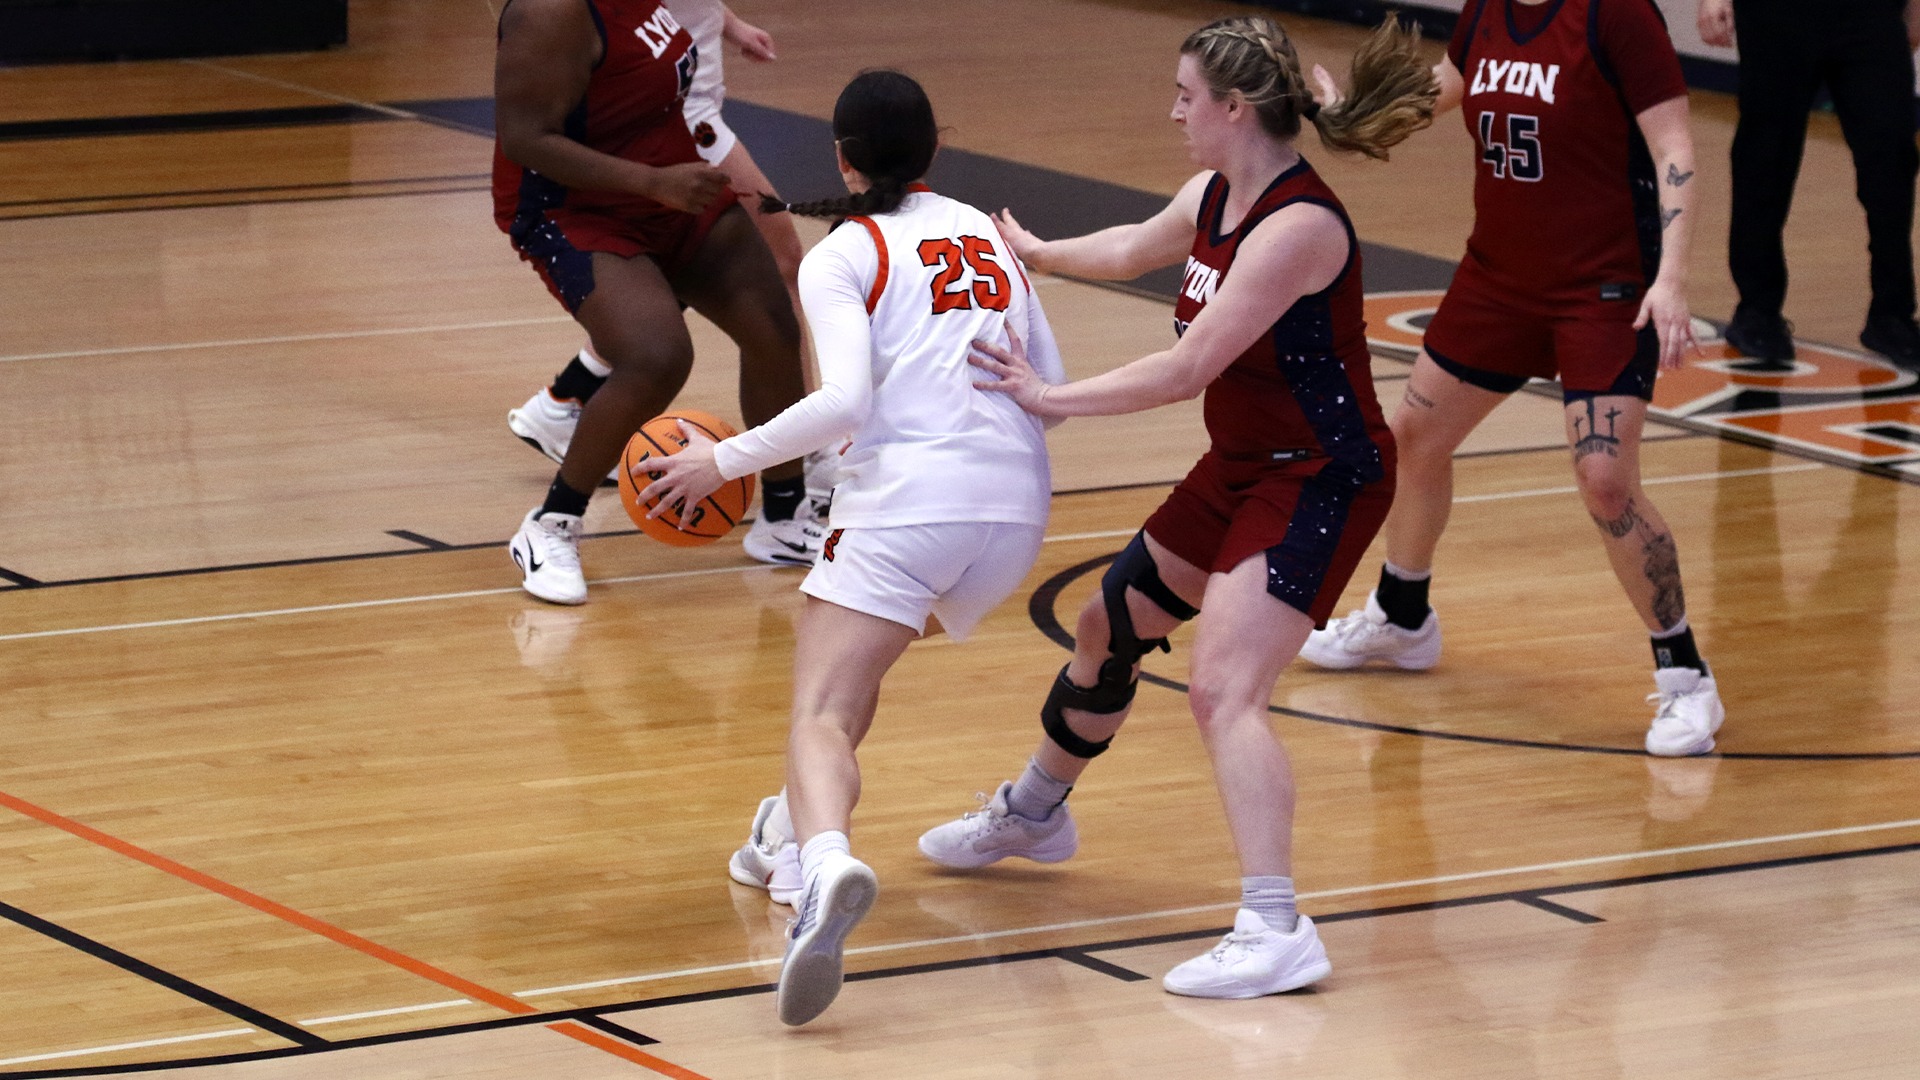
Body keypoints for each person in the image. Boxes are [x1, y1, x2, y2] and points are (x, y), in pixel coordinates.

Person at [917, 15, 1435, 1000]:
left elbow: (1190, 364)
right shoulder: (1212, 194)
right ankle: (1035, 813)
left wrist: (1046, 395)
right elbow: (1132, 248)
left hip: (1321, 476)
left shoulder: (1298, 228)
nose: (1173, 111)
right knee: (1107, 624)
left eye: (1186, 95)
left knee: (1222, 688)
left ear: (1235, 108)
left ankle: (1276, 927)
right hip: (1243, 462)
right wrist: (1041, 250)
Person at [635, 70, 1065, 1025]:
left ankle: (822, 865)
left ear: (840, 157)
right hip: (1017, 508)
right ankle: (784, 836)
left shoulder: (846, 252)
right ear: (937, 148)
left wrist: (724, 463)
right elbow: (1050, 380)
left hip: (914, 499)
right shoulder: (988, 232)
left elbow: (843, 404)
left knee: (818, 711)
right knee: (852, 676)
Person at [1298, 0, 1728, 757]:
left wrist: (1673, 277)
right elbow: (1438, 94)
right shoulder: (1487, 12)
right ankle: (1403, 619)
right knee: (1413, 438)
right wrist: (1346, 114)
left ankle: (1685, 677)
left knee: (1605, 481)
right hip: (1499, 280)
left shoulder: (1619, 17)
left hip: (1606, 286)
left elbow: (1674, 147)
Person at [492, 0, 811, 605]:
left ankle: (788, 517)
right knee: (657, 354)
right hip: (574, 208)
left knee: (772, 322)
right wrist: (652, 183)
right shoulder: (548, 13)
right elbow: (525, 139)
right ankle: (551, 525)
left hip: (667, 188)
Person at [1696, 0, 1920, 369]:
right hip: (1777, 14)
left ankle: (1891, 315)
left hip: (1871, 12)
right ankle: (1757, 309)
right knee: (1766, 157)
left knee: (1891, 155)